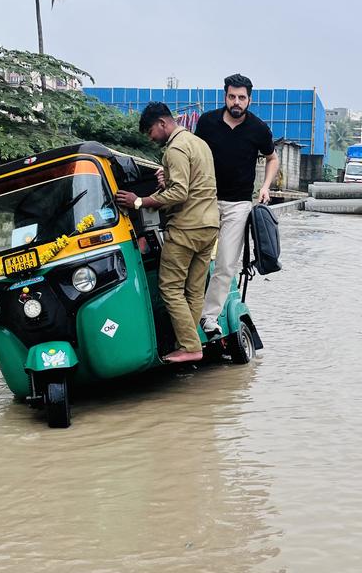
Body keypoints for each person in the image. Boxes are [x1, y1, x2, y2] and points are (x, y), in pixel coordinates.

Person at [115, 102, 220, 363]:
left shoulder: (174, 149)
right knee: (194, 291)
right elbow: (192, 185)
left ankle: (190, 347)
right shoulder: (200, 143)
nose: (151, 138)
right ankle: (190, 343)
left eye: (150, 131)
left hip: (187, 228)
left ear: (163, 123)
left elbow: (179, 193)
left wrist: (139, 201)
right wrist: (166, 184)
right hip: (209, 225)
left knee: (170, 288)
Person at [194, 74, 278, 339]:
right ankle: (189, 309)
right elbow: (194, 155)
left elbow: (272, 158)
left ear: (249, 99)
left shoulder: (259, 129)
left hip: (239, 204)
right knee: (195, 256)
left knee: (226, 263)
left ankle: (208, 317)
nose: (237, 102)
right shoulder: (207, 122)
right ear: (225, 97)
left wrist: (265, 187)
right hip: (205, 198)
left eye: (242, 98)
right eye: (232, 96)